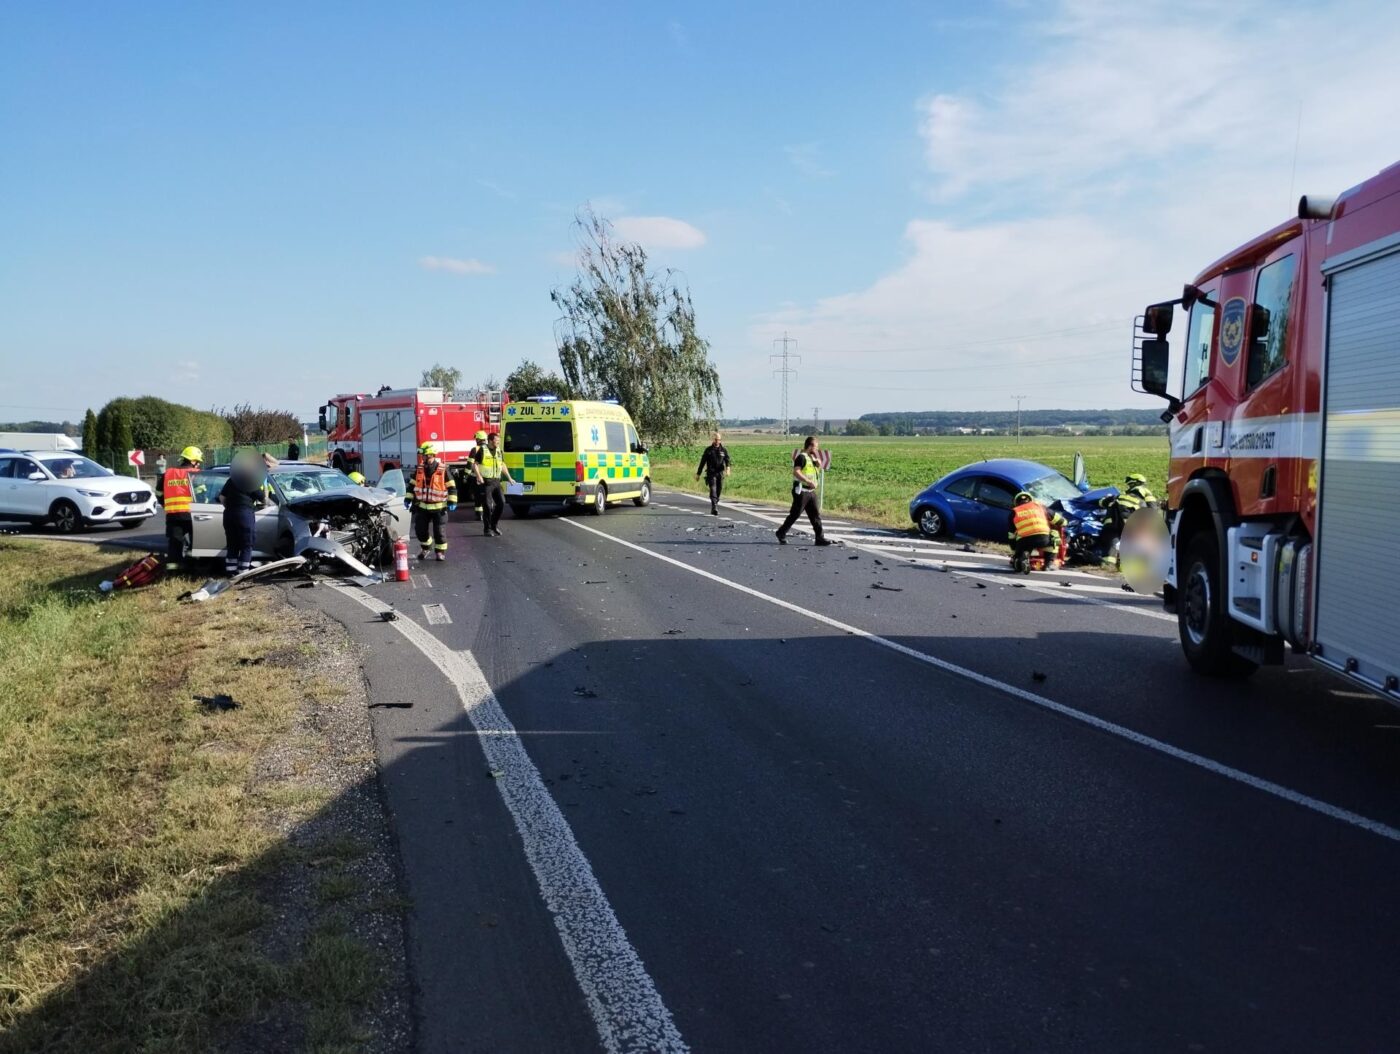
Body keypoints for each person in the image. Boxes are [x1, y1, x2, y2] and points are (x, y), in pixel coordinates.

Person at [775, 436, 832, 546]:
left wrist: (818, 464)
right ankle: (781, 532)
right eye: (816, 447)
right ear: (810, 446)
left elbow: (815, 471)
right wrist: (808, 481)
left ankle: (819, 538)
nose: (817, 449)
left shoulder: (812, 458)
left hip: (811, 492)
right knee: (795, 514)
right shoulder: (801, 457)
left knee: (815, 515)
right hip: (802, 490)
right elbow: (796, 472)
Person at [219, 451, 267, 576]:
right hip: (244, 515)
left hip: (229, 514)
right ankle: (243, 573)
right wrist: (265, 487)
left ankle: (231, 573)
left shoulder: (232, 480)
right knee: (246, 545)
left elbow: (222, 498)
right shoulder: (252, 480)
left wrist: (230, 507)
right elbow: (264, 499)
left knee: (232, 545)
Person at [156, 446, 204, 570]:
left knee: (175, 545)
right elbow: (202, 495)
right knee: (195, 544)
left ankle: (174, 571)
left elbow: (159, 493)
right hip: (192, 515)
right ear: (193, 461)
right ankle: (191, 568)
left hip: (173, 515)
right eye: (198, 462)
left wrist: (166, 505)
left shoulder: (168, 473)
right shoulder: (196, 474)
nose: (198, 465)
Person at [407, 442, 456, 560]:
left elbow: (452, 487)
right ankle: (426, 547)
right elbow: (412, 486)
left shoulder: (443, 469)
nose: (422, 457)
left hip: (439, 508)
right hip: (422, 507)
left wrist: (452, 501)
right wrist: (407, 499)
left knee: (439, 532)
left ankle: (440, 552)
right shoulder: (419, 469)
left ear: (430, 455)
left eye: (424, 455)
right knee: (420, 531)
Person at [471, 429, 514, 537]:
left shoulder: (499, 450)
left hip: (496, 481)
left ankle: (494, 525)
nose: (498, 443)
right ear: (490, 441)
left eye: (499, 441)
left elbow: (502, 464)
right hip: (486, 482)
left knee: (501, 503)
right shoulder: (482, 450)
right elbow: (474, 464)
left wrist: (509, 478)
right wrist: (479, 476)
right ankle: (487, 529)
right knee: (487, 506)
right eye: (496, 441)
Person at [1008, 490, 1056, 573]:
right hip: (1043, 539)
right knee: (1055, 535)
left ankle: (1021, 559)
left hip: (1024, 541)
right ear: (1030, 500)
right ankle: (1048, 564)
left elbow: (1011, 535)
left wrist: (1014, 551)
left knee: (1019, 559)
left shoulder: (1014, 512)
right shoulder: (1040, 507)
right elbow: (1061, 521)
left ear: (1016, 502)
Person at [695, 431, 731, 515]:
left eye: (718, 439)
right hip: (711, 473)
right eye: (715, 439)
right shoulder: (708, 450)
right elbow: (702, 462)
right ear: (713, 440)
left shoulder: (723, 450)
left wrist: (728, 469)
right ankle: (714, 506)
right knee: (713, 488)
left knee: (719, 489)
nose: (717, 441)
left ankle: (715, 502)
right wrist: (698, 474)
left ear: (720, 440)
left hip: (720, 473)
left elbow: (727, 460)